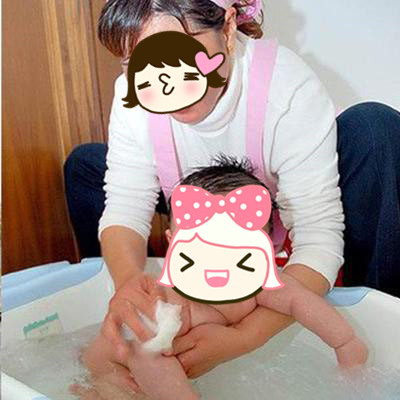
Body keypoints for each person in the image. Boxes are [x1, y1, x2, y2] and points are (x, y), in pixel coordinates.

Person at [64, 0, 400, 381]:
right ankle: (127, 306)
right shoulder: (134, 96)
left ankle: (377, 311)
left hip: (275, 204)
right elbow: (125, 205)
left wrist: (244, 336)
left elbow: (318, 237)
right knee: (85, 166)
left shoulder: (285, 88)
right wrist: (128, 284)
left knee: (375, 130)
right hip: (193, 199)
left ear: (226, 29)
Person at [73, 158, 368, 400]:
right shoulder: (169, 299)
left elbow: (301, 301)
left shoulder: (258, 282)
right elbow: (145, 355)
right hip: (112, 364)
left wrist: (346, 343)